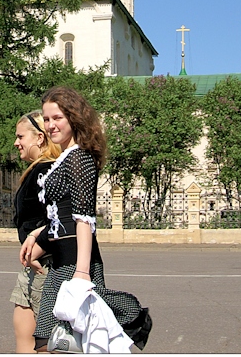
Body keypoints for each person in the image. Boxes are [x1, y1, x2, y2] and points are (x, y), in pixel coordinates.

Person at [19, 87, 151, 352]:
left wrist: (81, 273)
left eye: (57, 118)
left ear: (74, 117)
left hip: (73, 264)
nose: (50, 125)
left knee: (69, 343)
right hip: (59, 262)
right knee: (51, 341)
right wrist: (38, 240)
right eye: (46, 119)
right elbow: (61, 217)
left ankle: (135, 317)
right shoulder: (64, 158)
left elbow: (83, 219)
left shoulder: (80, 158)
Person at [11, 110, 61, 353]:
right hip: (33, 266)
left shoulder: (47, 171)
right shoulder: (35, 169)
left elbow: (63, 218)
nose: (16, 142)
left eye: (21, 136)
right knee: (23, 328)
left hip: (47, 267)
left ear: (39, 138)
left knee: (47, 343)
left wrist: (37, 241)